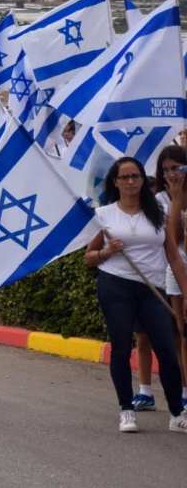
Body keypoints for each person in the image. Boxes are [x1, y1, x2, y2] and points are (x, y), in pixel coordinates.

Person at [84, 157, 187, 434]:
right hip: (116, 287)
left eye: (135, 176)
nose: (130, 182)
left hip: (152, 289)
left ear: (143, 180)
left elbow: (174, 257)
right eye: (124, 177)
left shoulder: (159, 213)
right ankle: (126, 410)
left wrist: (185, 293)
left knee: (166, 350)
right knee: (120, 349)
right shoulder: (104, 215)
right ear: (115, 182)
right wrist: (107, 252)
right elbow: (89, 258)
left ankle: (177, 413)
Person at [150, 145, 187, 411]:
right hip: (178, 273)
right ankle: (184, 391)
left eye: (175, 168)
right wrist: (175, 200)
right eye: (165, 170)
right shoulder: (161, 199)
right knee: (182, 335)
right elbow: (175, 238)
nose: (171, 174)